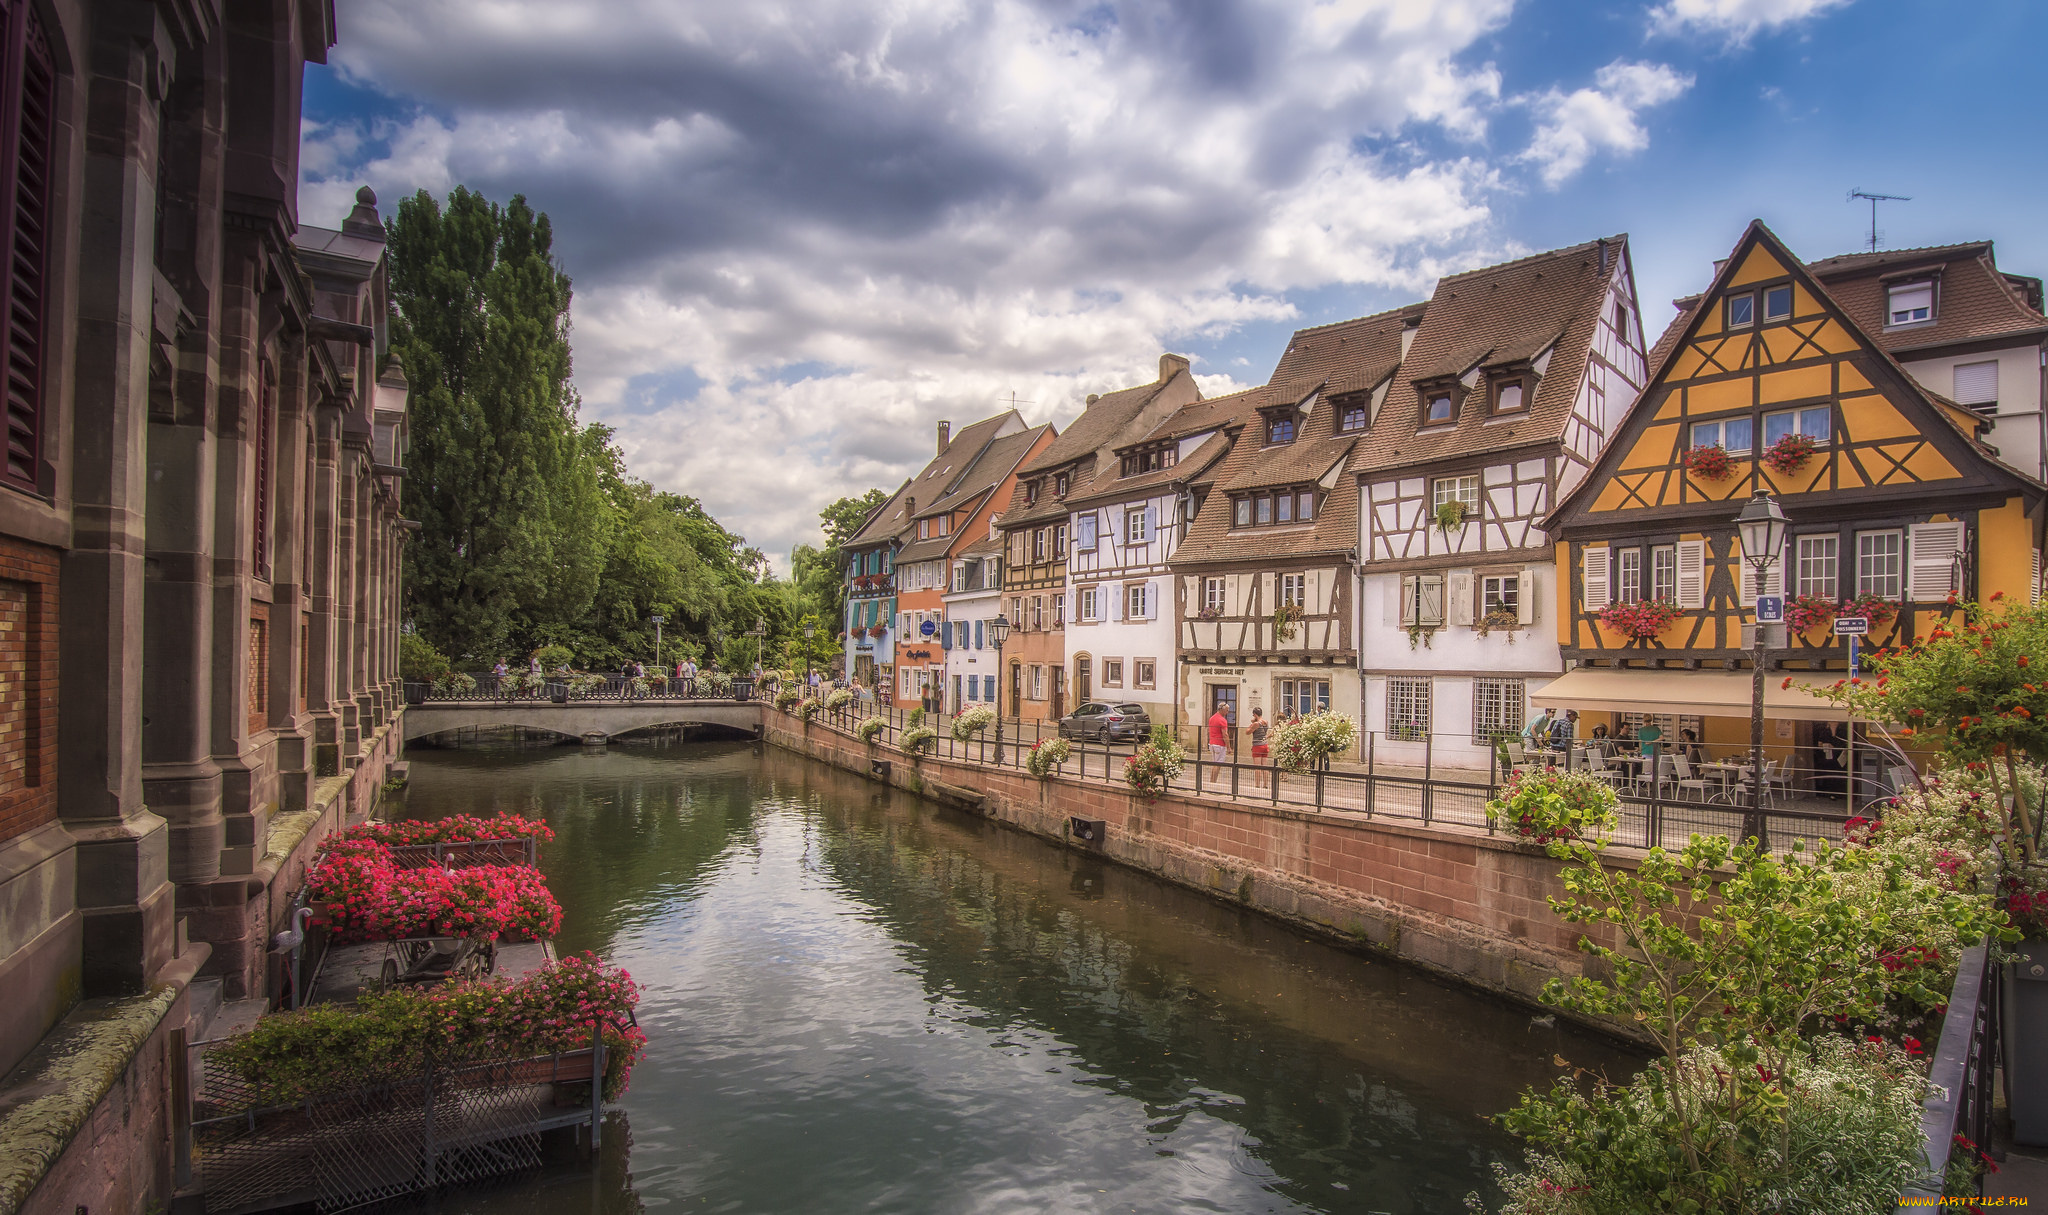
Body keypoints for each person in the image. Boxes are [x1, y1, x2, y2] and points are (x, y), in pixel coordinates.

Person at [1248, 708, 1270, 789]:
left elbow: (1247, 732)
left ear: (1255, 714)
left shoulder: (1256, 724)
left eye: (1253, 715)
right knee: (1264, 765)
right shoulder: (1266, 722)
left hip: (1257, 745)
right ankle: (1265, 784)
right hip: (1265, 745)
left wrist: (1252, 723)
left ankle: (1257, 784)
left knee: (1257, 766)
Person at [1207, 704, 1230, 769]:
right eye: (1226, 710)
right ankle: (1213, 779)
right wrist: (1228, 747)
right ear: (1222, 710)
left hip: (1212, 743)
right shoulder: (1222, 720)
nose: (1227, 712)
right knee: (1218, 765)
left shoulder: (1211, 718)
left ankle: (1212, 779)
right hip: (1220, 744)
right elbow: (1225, 735)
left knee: (1214, 764)